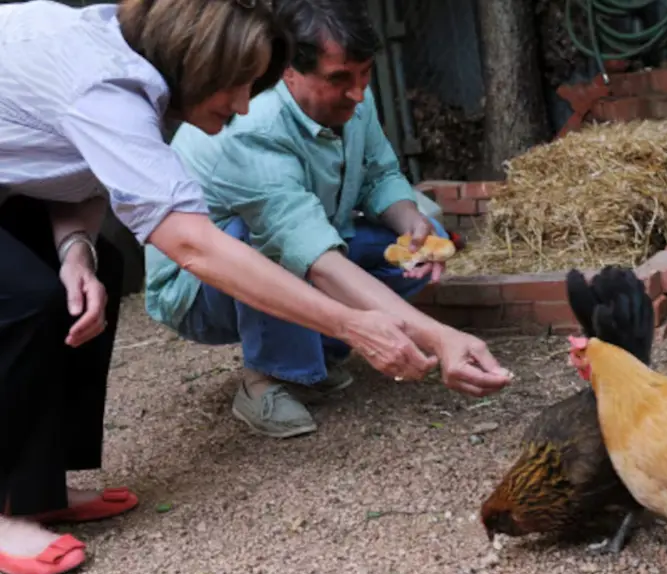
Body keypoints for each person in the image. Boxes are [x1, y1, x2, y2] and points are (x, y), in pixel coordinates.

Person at [0, 0, 510, 574]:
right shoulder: (108, 85)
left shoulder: (129, 72)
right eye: (239, 85)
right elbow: (195, 246)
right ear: (198, 61)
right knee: (23, 298)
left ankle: (38, 487)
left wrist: (75, 252)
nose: (244, 105)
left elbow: (74, 171)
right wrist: (354, 325)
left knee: (97, 272)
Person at [145, 0, 498, 439]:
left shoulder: (354, 95)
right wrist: (439, 336)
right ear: (288, 70)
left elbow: (380, 174)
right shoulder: (253, 126)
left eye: (365, 73)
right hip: (197, 288)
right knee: (266, 244)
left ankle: (316, 349)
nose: (358, 92)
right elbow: (310, 253)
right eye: (339, 79)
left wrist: (409, 221)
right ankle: (269, 379)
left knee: (424, 243)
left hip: (314, 236)